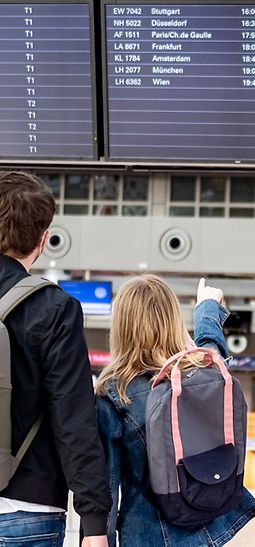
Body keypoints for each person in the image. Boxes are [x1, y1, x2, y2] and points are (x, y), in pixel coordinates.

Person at [95, 275, 255, 546]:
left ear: (121, 327)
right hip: (207, 528)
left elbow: (106, 487)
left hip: (146, 534)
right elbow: (212, 350)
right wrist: (207, 308)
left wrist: (97, 537)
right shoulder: (199, 374)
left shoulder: (115, 394)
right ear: (172, 319)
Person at [0, 171, 111, 546]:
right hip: (29, 507)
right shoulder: (54, 309)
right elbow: (74, 422)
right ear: (43, 239)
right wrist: (95, 523)